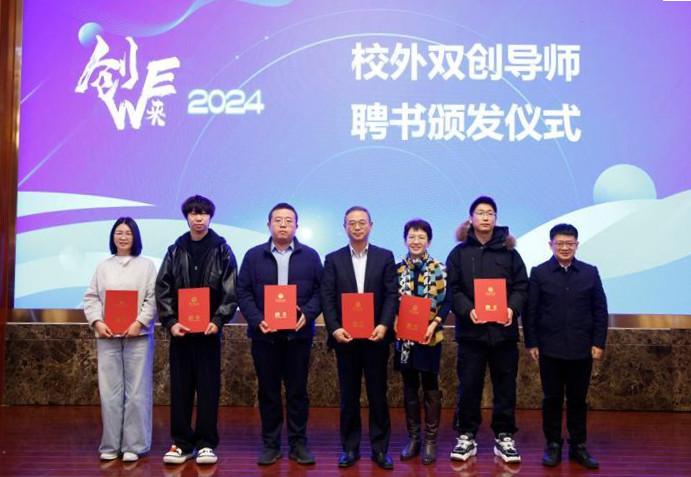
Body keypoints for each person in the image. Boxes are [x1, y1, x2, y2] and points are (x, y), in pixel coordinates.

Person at [237, 203, 323, 466]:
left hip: (298, 336)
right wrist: (257, 320)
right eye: (278, 220)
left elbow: (321, 292)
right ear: (268, 225)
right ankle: (271, 445)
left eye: (288, 220)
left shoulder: (310, 256)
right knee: (268, 392)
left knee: (298, 392)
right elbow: (243, 291)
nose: (283, 224)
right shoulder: (253, 256)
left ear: (297, 225)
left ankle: (298, 444)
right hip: (265, 337)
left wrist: (307, 313)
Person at [156, 195, 238, 465]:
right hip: (181, 333)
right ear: (187, 217)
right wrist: (171, 321)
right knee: (180, 389)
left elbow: (230, 290)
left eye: (203, 213)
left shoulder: (222, 250)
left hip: (208, 333)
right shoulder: (175, 250)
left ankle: (205, 444)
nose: (198, 218)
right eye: (193, 213)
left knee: (208, 388)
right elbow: (163, 288)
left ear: (210, 217)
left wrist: (218, 320)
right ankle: (181, 443)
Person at [446, 196, 528, 464]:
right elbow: (452, 289)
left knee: (505, 387)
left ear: (496, 218)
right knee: (469, 386)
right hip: (472, 334)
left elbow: (522, 287)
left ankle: (504, 436)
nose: (485, 217)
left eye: (490, 213)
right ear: (471, 219)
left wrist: (512, 309)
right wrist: (467, 309)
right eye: (480, 213)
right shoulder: (459, 254)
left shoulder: (509, 253)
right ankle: (466, 436)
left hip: (503, 333)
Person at [523, 223, 608, 469]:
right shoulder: (539, 273)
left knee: (578, 400)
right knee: (552, 399)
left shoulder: (590, 272)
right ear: (550, 245)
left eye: (569, 243)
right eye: (559, 243)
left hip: (582, 348)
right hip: (549, 348)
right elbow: (530, 311)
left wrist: (598, 342)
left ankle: (578, 445)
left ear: (577, 245)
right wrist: (531, 342)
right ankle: (553, 444)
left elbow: (600, 310)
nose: (564, 247)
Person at [321, 206, 398, 470]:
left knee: (378, 395)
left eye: (362, 222)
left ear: (371, 226)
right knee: (349, 397)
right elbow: (327, 297)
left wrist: (384, 325)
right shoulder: (333, 259)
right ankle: (350, 448)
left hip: (376, 338)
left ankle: (380, 449)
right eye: (351, 223)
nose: (357, 227)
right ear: (344, 227)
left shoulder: (385, 257)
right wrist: (334, 328)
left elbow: (391, 295)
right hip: (346, 338)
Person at [84, 217, 157, 462]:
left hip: (138, 337)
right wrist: (98, 322)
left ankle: (134, 446)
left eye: (128, 233)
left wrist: (139, 323)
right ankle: (110, 445)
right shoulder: (103, 266)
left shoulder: (146, 266)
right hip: (107, 337)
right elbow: (91, 298)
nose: (123, 237)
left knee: (137, 392)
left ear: (135, 237)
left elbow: (153, 298)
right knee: (110, 392)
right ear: (113, 237)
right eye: (119, 232)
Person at [395, 219, 449, 465]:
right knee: (409, 385)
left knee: (430, 383)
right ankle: (414, 438)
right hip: (405, 338)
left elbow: (447, 302)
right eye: (412, 237)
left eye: (421, 237)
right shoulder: (396, 269)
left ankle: (430, 440)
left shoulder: (440, 268)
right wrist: (395, 321)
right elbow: (390, 300)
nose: (416, 241)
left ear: (429, 241)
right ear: (405, 240)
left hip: (430, 335)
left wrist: (433, 324)